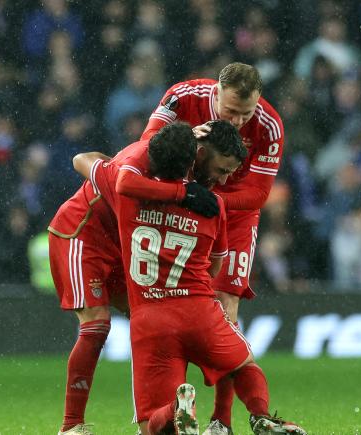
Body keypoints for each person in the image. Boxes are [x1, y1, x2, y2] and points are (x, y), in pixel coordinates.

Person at [79, 122, 305, 435]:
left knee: (150, 426)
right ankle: (261, 416)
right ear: (196, 157)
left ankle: (175, 410)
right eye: (223, 169)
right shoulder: (213, 207)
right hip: (198, 310)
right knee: (243, 363)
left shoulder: (127, 192)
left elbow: (84, 160)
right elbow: (214, 267)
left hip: (150, 318)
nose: (224, 178)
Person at [48, 119, 230, 434]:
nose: (220, 179)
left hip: (125, 247)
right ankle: (71, 426)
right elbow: (83, 159)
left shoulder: (180, 171)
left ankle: (161, 416)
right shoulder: (128, 176)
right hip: (82, 235)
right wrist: (180, 193)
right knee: (97, 325)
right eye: (221, 170)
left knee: (165, 322)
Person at [139, 62, 283, 435]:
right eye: (230, 111)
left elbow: (258, 194)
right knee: (178, 304)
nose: (237, 121)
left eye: (245, 113)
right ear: (215, 93)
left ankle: (221, 421)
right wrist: (186, 135)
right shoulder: (183, 96)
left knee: (226, 308)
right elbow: (148, 145)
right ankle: (176, 403)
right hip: (182, 205)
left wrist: (212, 201)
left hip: (231, 215)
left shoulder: (269, 126)